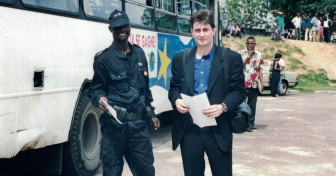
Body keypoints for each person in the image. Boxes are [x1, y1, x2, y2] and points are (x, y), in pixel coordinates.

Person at [168, 10, 245, 176]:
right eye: (197, 30)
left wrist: (223, 107)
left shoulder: (231, 58)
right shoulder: (180, 59)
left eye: (205, 29)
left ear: (213, 30)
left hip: (218, 129)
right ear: (192, 32)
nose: (201, 34)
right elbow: (174, 87)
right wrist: (176, 101)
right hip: (189, 131)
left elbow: (239, 91)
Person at [88, 9, 160, 176]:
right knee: (112, 173)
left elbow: (145, 91)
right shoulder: (103, 60)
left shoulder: (140, 54)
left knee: (146, 172)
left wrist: (152, 113)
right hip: (113, 129)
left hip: (138, 128)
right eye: (117, 27)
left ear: (129, 27)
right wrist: (100, 98)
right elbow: (95, 88)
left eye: (125, 26)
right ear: (110, 30)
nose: (122, 30)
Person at [239, 36, 264, 132]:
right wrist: (248, 56)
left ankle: (250, 125)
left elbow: (260, 70)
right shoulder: (241, 53)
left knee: (252, 106)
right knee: (241, 104)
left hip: (253, 83)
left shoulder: (259, 55)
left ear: (255, 44)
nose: (250, 45)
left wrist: (261, 83)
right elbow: (239, 66)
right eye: (248, 43)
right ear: (246, 44)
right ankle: (241, 124)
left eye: (252, 43)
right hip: (242, 83)